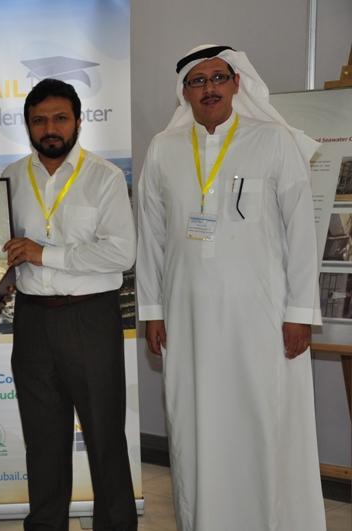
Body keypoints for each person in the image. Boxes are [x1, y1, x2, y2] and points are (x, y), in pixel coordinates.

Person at [136, 45, 326, 531]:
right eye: (197, 81)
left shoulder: (273, 140)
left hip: (261, 319)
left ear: (237, 83)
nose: (209, 89)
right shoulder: (163, 148)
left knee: (260, 421)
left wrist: (299, 313)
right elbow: (151, 237)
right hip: (187, 321)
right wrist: (153, 310)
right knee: (196, 426)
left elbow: (301, 233)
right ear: (184, 92)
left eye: (218, 77)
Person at [3, 78, 137, 531]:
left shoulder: (105, 176)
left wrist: (45, 254)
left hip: (90, 318)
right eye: (39, 120)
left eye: (60, 118)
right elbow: (0, 247)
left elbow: (121, 253)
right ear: (27, 125)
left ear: (79, 121)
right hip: (33, 321)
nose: (50, 129)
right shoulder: (11, 177)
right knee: (42, 440)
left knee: (104, 437)